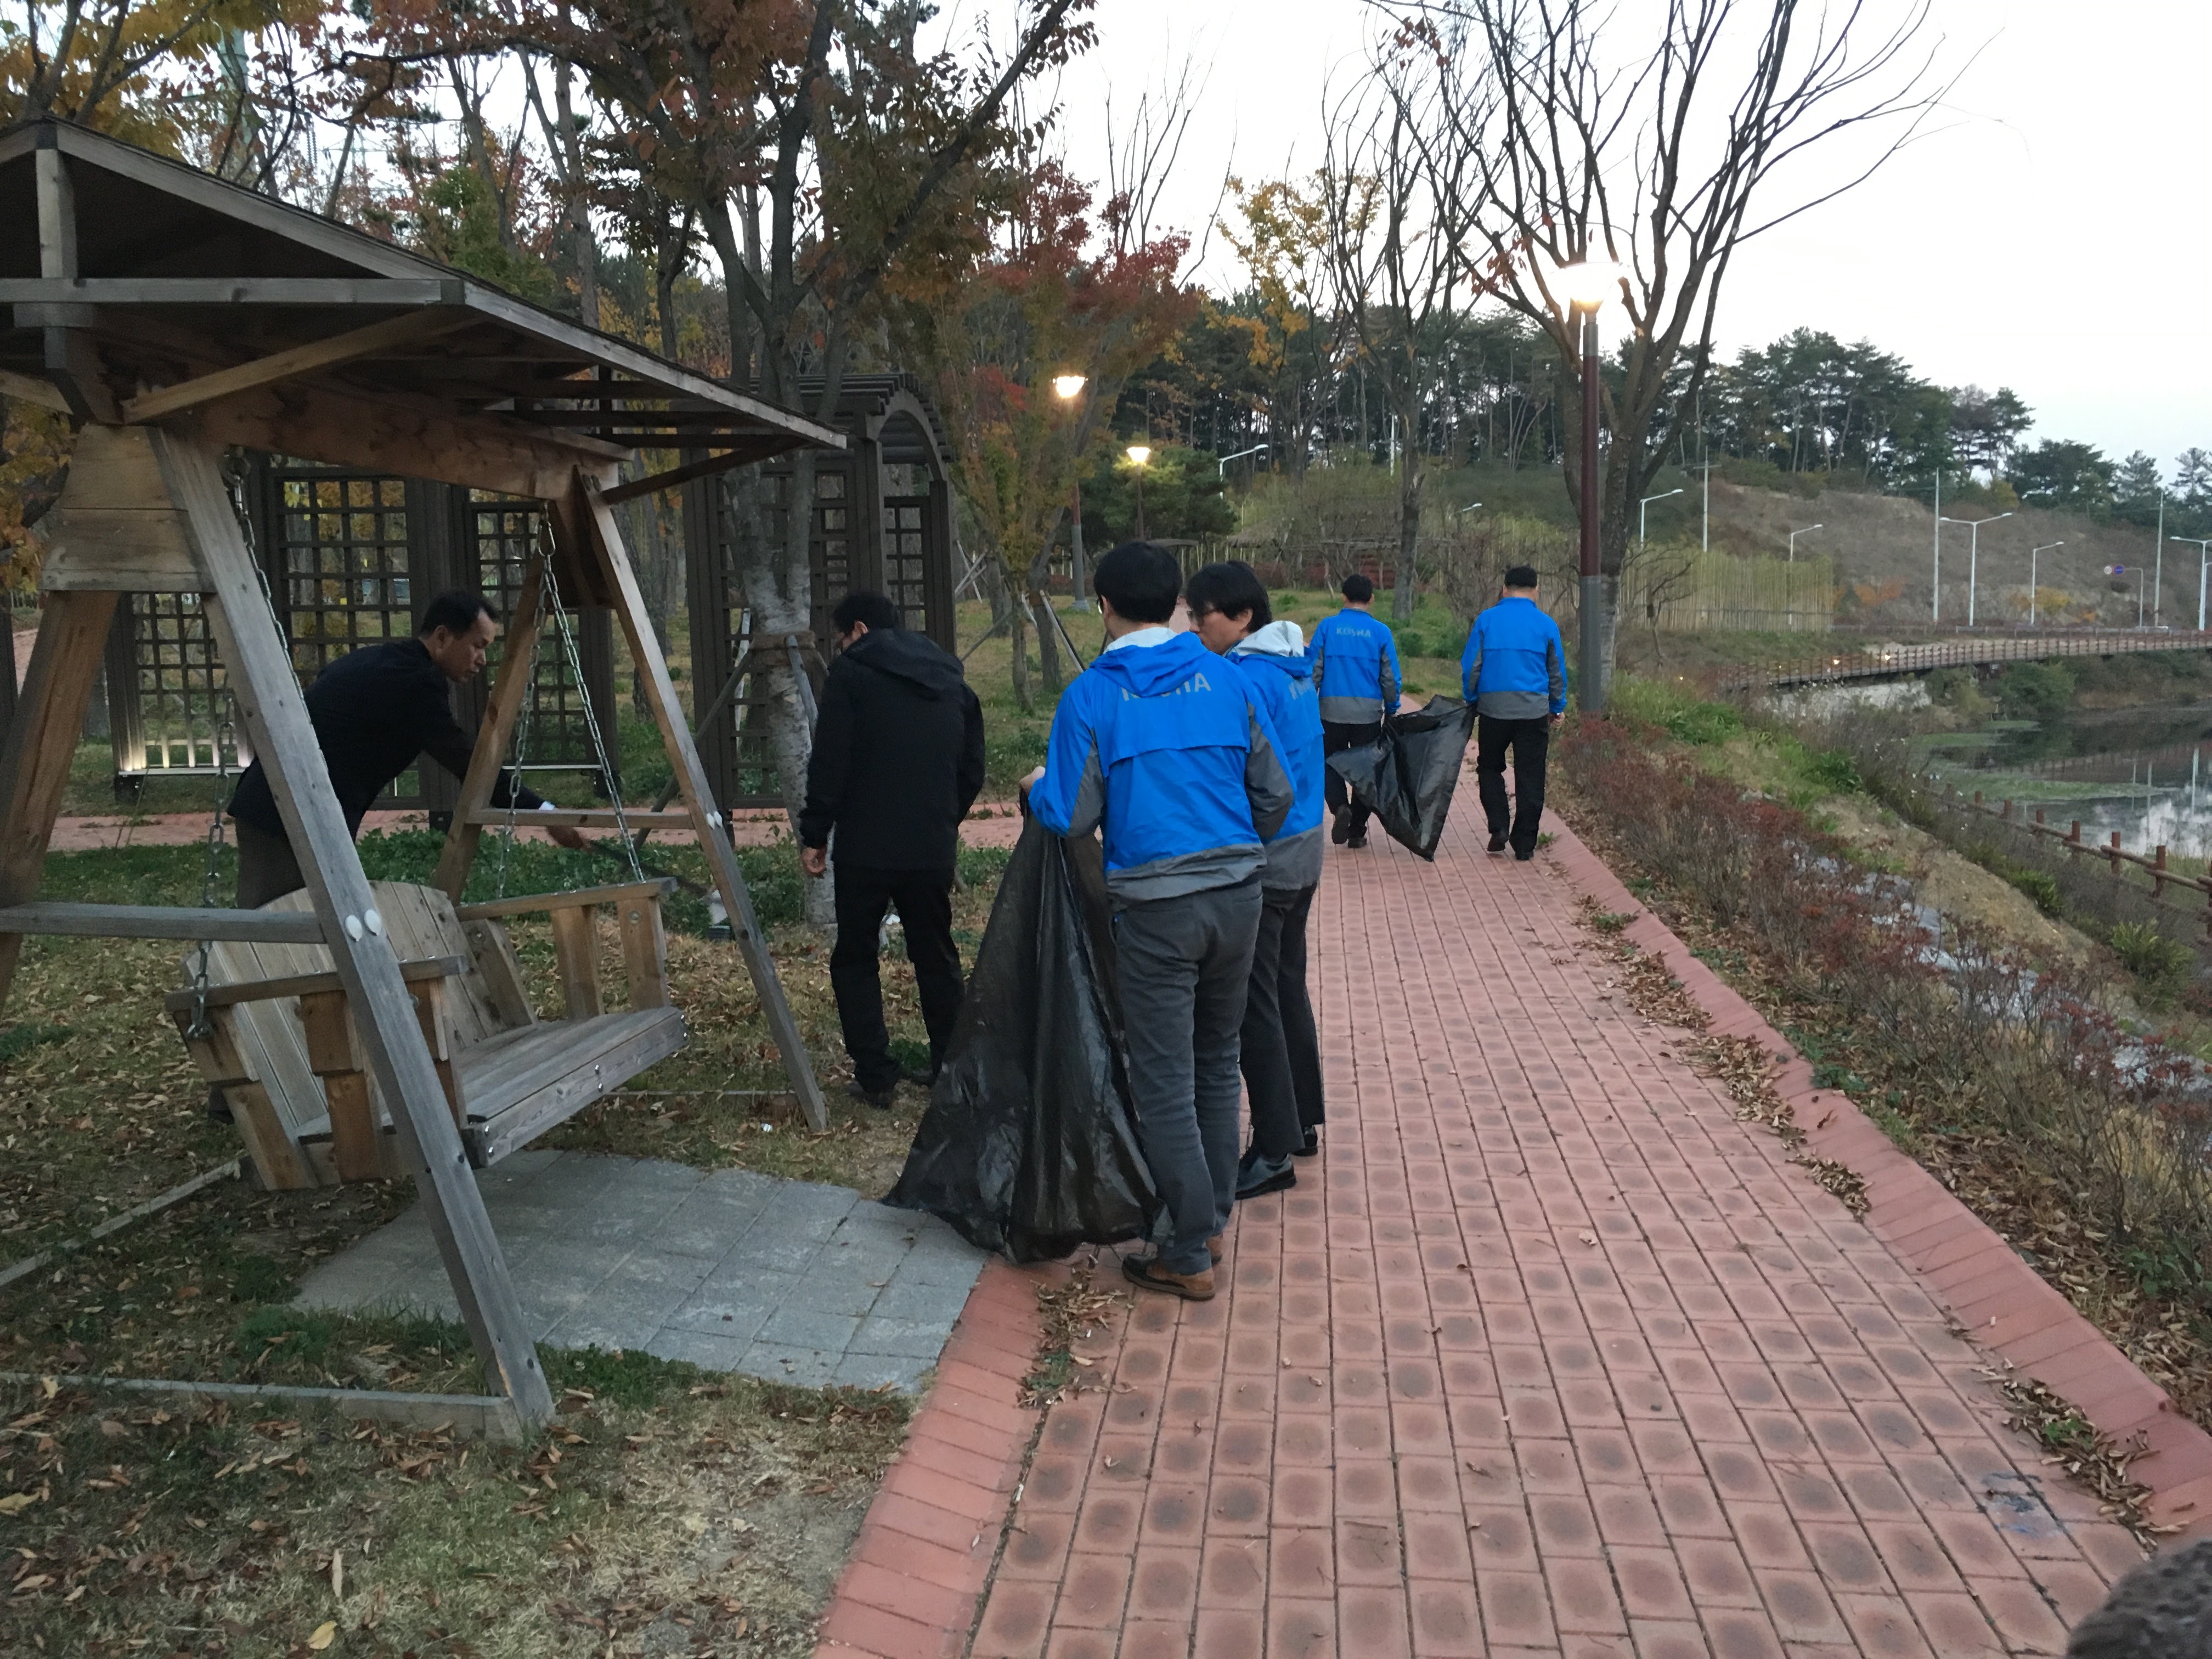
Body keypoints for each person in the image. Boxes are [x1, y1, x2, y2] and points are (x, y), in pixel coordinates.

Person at [1024, 542, 1295, 1301]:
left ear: (1105, 608)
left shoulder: (1093, 695)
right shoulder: (1228, 680)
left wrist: (1035, 790)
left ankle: (1187, 1248)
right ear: (1177, 601)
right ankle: (1204, 1222)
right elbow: (1274, 794)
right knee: (1215, 1063)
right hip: (1240, 897)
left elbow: (1073, 816)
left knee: (1166, 1080)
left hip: (1155, 910)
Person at [228, 590, 584, 909]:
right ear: (443, 637)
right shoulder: (416, 682)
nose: (481, 659)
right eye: (478, 645)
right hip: (287, 814)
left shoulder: (383, 660)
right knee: (277, 930)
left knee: (316, 926)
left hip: (292, 807)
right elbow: (469, 764)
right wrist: (544, 812)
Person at [799, 591, 985, 1108]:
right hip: (930, 847)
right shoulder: (952, 680)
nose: (840, 648)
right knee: (936, 956)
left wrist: (816, 833)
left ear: (857, 630)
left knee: (856, 958)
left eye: (840, 639)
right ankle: (951, 1069)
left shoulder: (852, 677)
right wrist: (945, 818)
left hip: (865, 847)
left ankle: (876, 1075)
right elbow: (972, 767)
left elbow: (829, 760)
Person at [1187, 561, 1327, 1198]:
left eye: (1203, 615)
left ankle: (1272, 1150)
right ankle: (1299, 1123)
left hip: (1270, 859)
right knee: (1285, 988)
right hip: (1305, 850)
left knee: (1254, 1007)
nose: (1194, 627)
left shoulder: (1245, 678)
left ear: (1242, 617)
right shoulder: (1290, 667)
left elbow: (1243, 774)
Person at [1460, 564, 1567, 861]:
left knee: (1490, 766)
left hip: (1494, 708)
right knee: (1530, 775)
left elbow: (1472, 666)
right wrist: (1557, 706)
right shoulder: (1546, 625)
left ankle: (1498, 826)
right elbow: (1556, 671)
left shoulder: (1487, 620)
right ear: (1536, 590)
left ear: (1504, 588)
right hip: (1533, 710)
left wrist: (1472, 698)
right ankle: (1524, 845)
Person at [1307, 572, 1402, 849]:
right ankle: (1358, 830)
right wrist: (1392, 708)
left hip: (1330, 712)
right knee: (1365, 772)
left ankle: (1339, 808)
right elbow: (1390, 678)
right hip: (1368, 715)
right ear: (1371, 600)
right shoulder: (1381, 632)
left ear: (1344, 597)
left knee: (1329, 763)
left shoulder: (1327, 628)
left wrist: (1308, 705)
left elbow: (1313, 671)